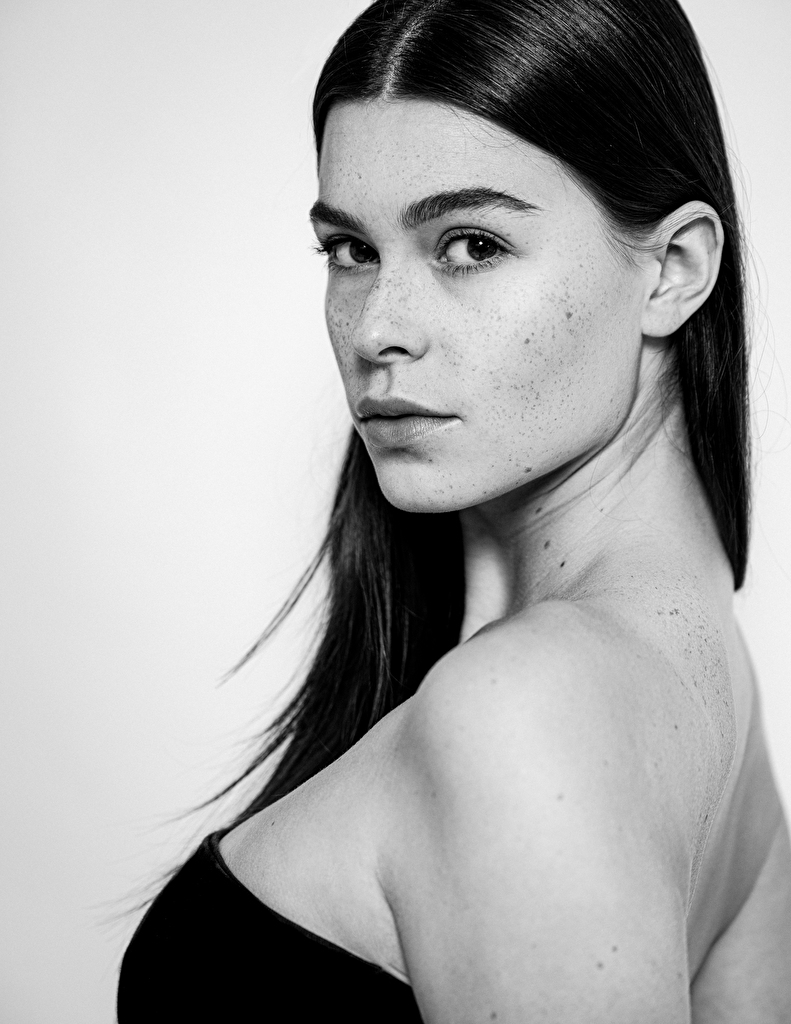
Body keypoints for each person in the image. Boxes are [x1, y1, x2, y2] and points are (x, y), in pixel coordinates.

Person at [117, 0, 791, 1020]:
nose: (375, 329)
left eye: (470, 244)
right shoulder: (700, 677)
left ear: (673, 270)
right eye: (350, 250)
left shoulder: (526, 708)